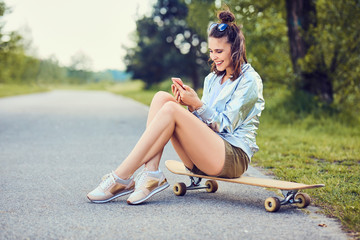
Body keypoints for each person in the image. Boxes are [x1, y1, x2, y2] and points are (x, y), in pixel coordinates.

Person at [87, 9, 265, 205]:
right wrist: (189, 105)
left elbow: (225, 126)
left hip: (232, 157)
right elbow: (204, 126)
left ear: (236, 49)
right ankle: (151, 174)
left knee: (171, 111)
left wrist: (196, 103)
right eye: (212, 51)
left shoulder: (249, 80)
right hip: (203, 155)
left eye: (220, 51)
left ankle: (120, 177)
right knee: (162, 98)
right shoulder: (212, 78)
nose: (214, 57)